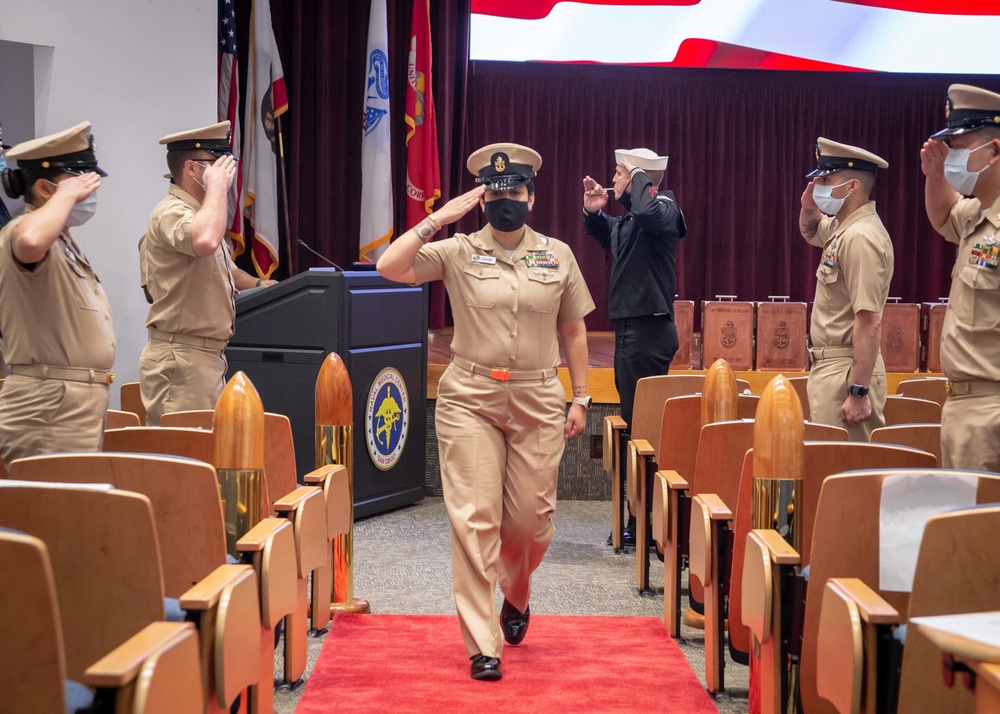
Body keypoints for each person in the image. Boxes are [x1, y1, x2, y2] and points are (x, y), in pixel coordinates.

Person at [377, 143, 594, 681]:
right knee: (474, 519)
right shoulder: (456, 250)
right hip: (469, 398)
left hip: (539, 397)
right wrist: (438, 219)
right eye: (495, 194)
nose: (505, 201)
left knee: (528, 524)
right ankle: (482, 643)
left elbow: (573, 329)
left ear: (531, 197)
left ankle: (516, 594)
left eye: (514, 192)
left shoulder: (558, 254)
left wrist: (583, 395)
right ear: (482, 200)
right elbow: (388, 266)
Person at [139, 121, 275, 426]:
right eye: (217, 164)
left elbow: (227, 271)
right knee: (184, 461)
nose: (227, 172)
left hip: (204, 359)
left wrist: (261, 284)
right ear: (191, 169)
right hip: (182, 358)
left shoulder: (200, 217)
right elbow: (204, 241)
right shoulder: (171, 211)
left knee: (205, 459)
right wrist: (216, 189)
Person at [582, 147, 686, 545]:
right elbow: (607, 231)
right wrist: (594, 212)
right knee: (633, 428)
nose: (614, 177)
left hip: (649, 334)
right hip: (630, 334)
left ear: (643, 177)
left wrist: (638, 176)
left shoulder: (664, 210)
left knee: (643, 432)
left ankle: (643, 522)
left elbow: (647, 212)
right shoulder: (630, 220)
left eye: (621, 172)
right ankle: (638, 516)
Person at [0, 121, 115, 469]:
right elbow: (30, 242)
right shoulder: (23, 230)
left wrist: (66, 193)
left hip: (69, 405)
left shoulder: (63, 241)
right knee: (50, 521)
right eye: (81, 183)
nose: (89, 192)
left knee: (70, 517)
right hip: (47, 407)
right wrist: (67, 195)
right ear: (45, 189)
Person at [921, 84, 1000, 473]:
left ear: (994, 152)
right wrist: (936, 174)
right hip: (962, 407)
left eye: (959, 146)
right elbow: (941, 216)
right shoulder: (977, 214)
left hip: (991, 412)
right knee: (965, 530)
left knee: (982, 532)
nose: (951, 156)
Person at [799, 137, 892, 442]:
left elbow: (869, 320)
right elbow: (811, 232)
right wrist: (809, 207)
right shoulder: (844, 228)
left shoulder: (861, 237)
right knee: (828, 473)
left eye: (826, 179)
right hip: (832, 369)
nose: (820, 185)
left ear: (852, 186)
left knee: (845, 476)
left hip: (847, 371)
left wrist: (859, 390)